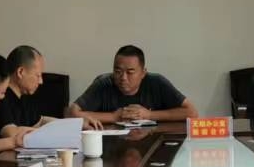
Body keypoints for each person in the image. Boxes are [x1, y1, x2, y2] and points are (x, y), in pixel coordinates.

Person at [69, 44, 197, 127]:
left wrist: (149, 115)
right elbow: (71, 113)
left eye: (130, 72)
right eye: (118, 71)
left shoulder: (157, 82)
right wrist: (114, 117)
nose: (123, 78)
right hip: (110, 147)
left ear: (143, 73)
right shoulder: (103, 84)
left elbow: (192, 113)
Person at [0, 45, 53, 154]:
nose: (41, 81)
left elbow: (40, 121)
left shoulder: (23, 96)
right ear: (20, 72)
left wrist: (67, 125)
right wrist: (51, 134)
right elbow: (12, 133)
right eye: (38, 75)